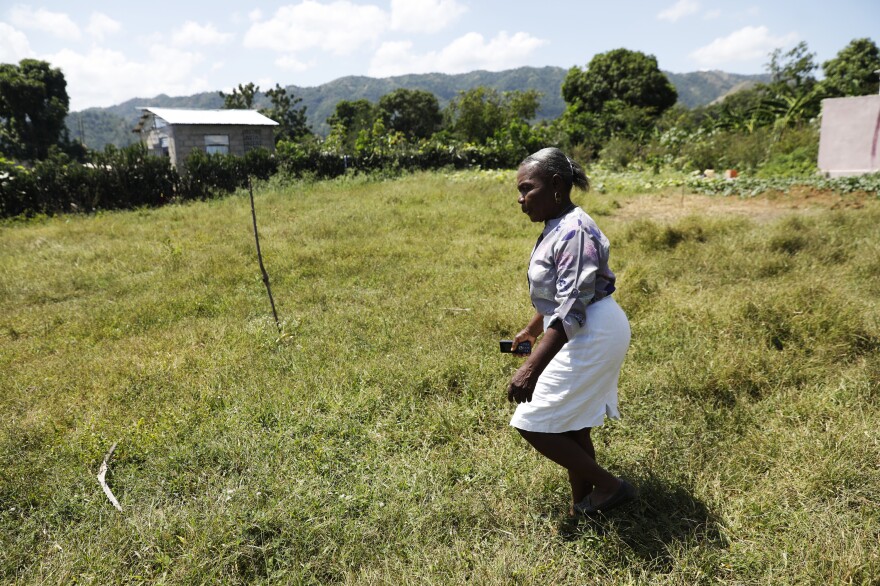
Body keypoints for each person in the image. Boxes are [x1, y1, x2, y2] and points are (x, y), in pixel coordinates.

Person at [507, 147, 635, 517]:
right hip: (577, 324)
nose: (521, 199)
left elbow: (572, 308)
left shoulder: (575, 230)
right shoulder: (558, 224)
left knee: (532, 422)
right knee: (574, 426)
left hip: (591, 329)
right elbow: (559, 293)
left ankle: (611, 487)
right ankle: (583, 507)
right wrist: (533, 328)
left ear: (557, 186)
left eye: (527, 189)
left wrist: (531, 368)